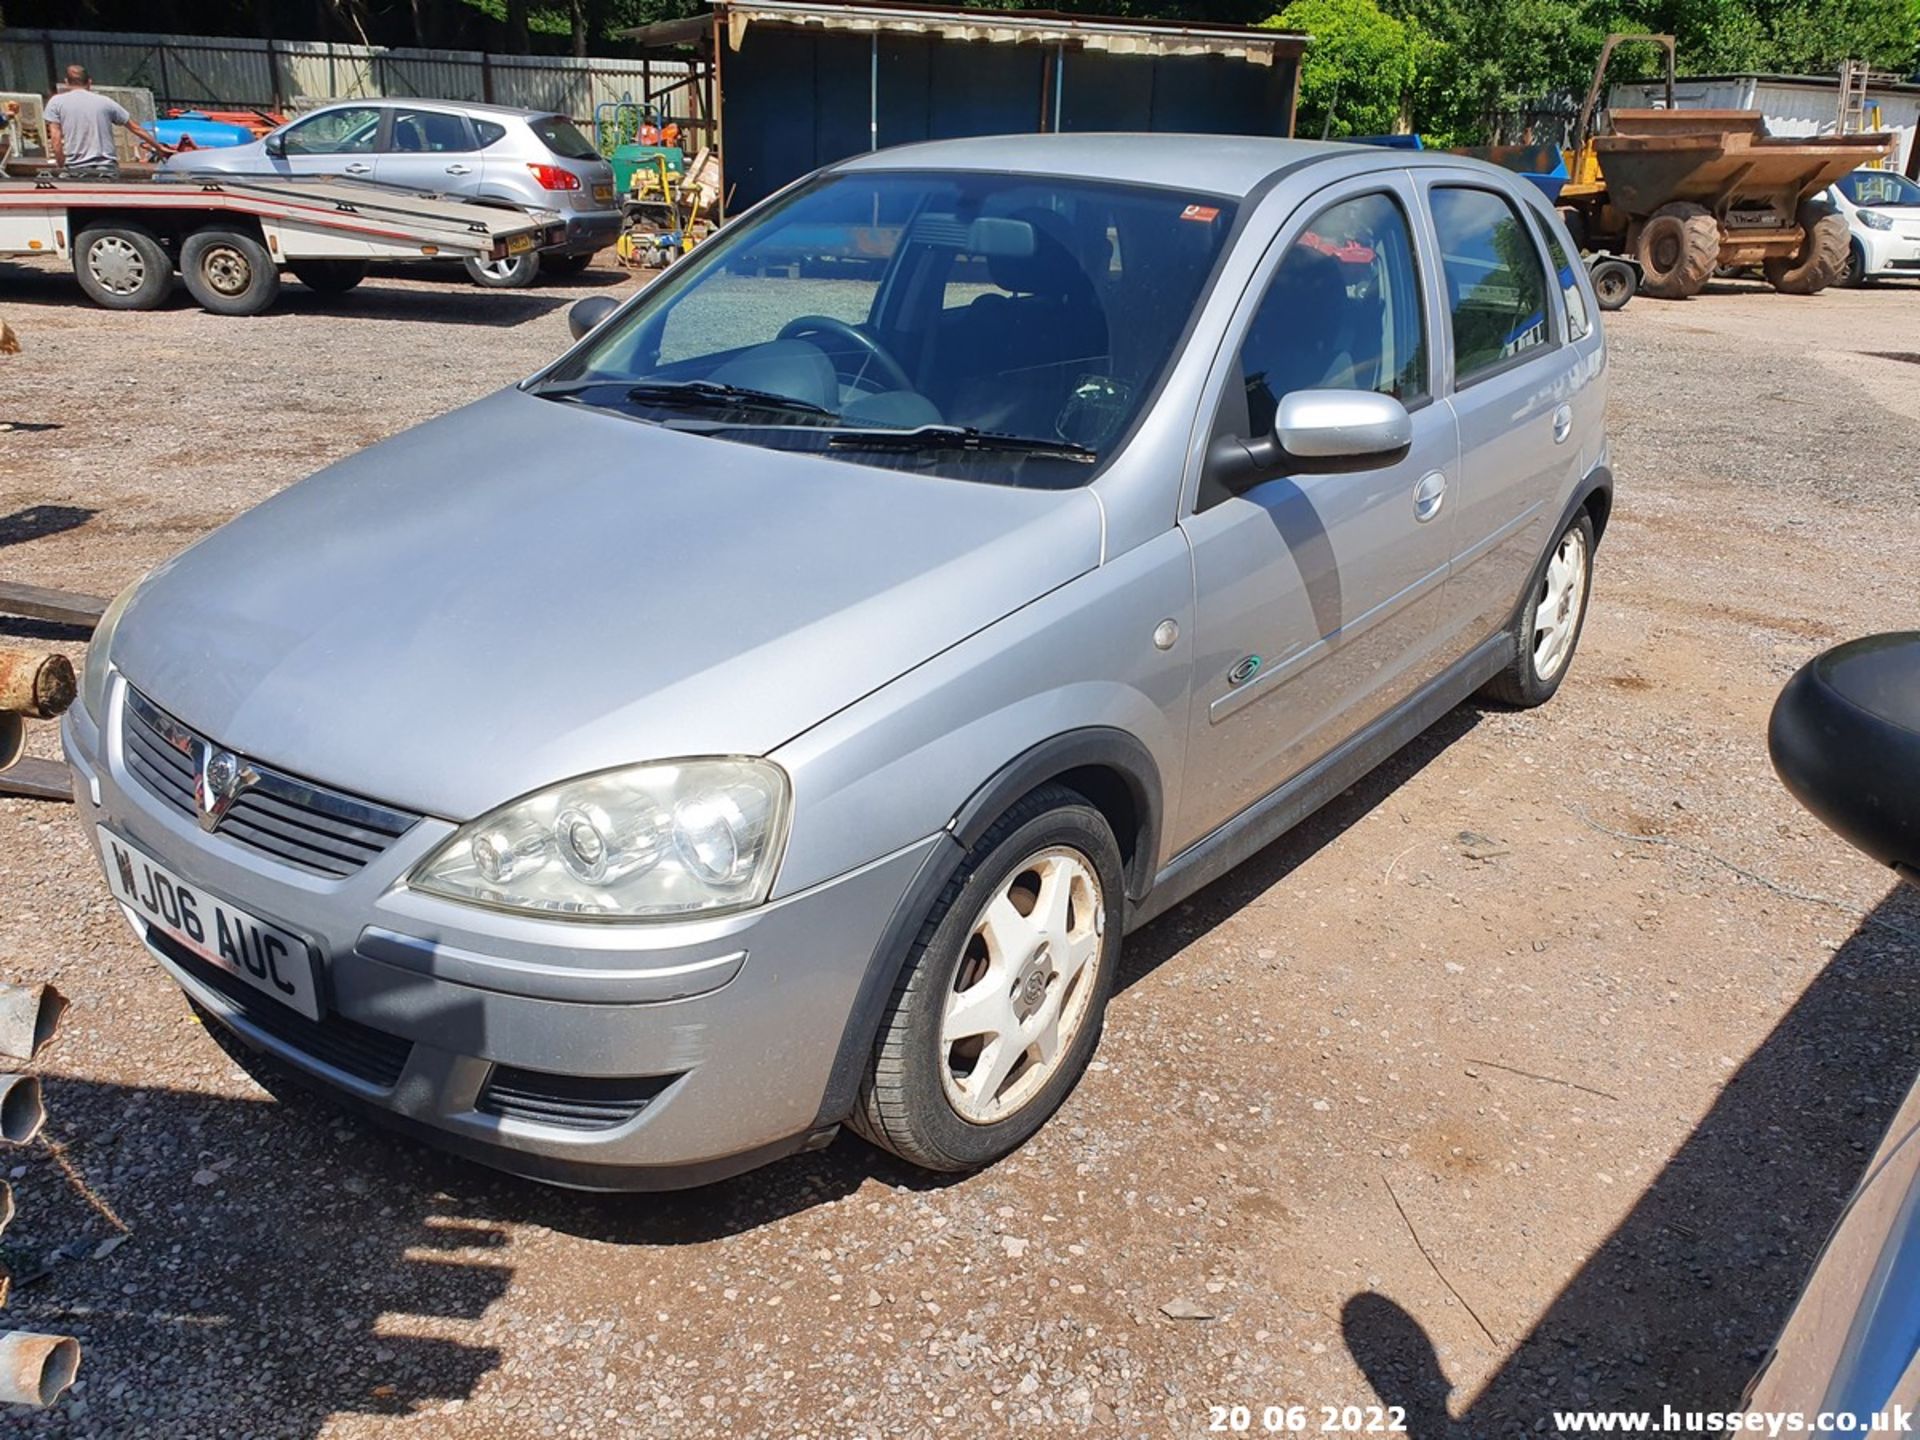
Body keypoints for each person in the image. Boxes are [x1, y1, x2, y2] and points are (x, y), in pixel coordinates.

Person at [44, 65, 164, 178]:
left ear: (66, 82)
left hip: (75, 167)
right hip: (106, 167)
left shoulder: (56, 102)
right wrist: (159, 148)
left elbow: (55, 138)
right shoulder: (106, 102)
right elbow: (135, 128)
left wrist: (61, 163)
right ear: (90, 82)